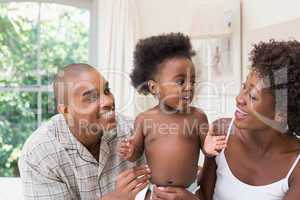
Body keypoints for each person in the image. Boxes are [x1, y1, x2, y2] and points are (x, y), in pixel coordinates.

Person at [118, 33, 227, 200]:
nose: (189, 87)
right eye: (180, 82)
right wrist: (130, 150)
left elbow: (206, 148)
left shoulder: (197, 117)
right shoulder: (144, 119)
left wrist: (210, 146)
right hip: (154, 193)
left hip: (188, 191)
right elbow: (137, 152)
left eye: (193, 81)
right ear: (154, 87)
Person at [18, 64, 151, 200]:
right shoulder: (40, 153)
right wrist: (115, 198)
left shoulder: (132, 131)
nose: (108, 101)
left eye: (106, 90)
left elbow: (162, 183)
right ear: (66, 111)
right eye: (91, 97)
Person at [199, 40, 300, 200]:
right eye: (243, 87)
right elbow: (203, 196)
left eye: (252, 96)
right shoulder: (221, 132)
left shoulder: (296, 167)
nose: (239, 99)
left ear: (280, 112)